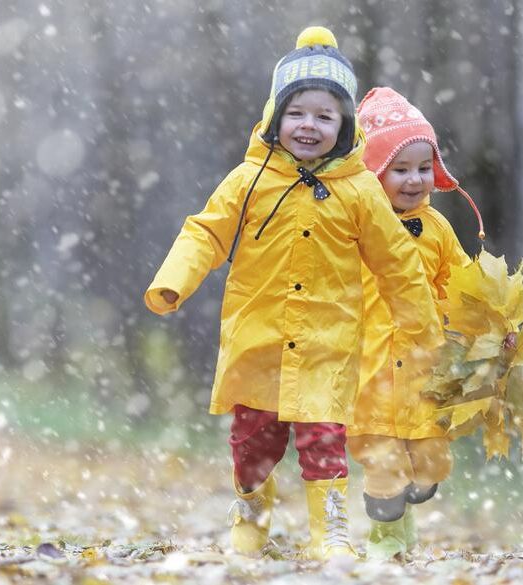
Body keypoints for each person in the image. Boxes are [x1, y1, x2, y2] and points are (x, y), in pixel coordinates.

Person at [144, 29, 443, 560]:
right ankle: (251, 513)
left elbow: (395, 260)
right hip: (258, 336)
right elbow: (206, 231)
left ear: (344, 126)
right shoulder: (250, 178)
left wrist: (420, 326)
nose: (309, 125)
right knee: (253, 441)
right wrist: (174, 280)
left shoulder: (359, 191)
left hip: (328, 341)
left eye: (325, 116)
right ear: (275, 117)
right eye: (298, 113)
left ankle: (329, 534)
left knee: (323, 439)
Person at [347, 86, 514, 561]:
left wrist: (486, 321)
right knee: (382, 460)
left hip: (426, 366)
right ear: (373, 172)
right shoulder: (355, 227)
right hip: (372, 366)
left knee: (431, 459)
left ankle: (415, 498)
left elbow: (462, 283)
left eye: (424, 167)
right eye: (400, 169)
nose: (415, 179)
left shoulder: (438, 229)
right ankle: (388, 540)